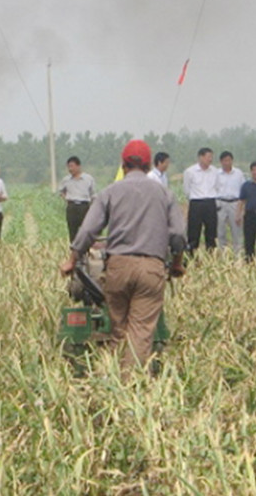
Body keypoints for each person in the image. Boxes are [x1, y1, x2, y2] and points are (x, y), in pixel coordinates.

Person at [60, 139, 186, 375]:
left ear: (124, 165)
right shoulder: (164, 194)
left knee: (119, 330)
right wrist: (177, 264)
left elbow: (87, 231)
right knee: (140, 331)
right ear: (149, 166)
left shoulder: (110, 192)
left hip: (117, 268)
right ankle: (129, 387)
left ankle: (114, 380)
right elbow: (178, 234)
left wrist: (72, 260)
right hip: (151, 268)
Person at [183, 148, 219, 255]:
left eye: (211, 157)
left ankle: (211, 258)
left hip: (210, 203)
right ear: (201, 157)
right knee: (193, 233)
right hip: (196, 203)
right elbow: (187, 189)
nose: (210, 159)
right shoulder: (190, 171)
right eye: (208, 157)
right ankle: (191, 258)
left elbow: (217, 187)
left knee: (211, 233)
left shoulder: (214, 171)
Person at [58, 156, 96, 241]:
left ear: (78, 166)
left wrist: (91, 206)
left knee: (86, 230)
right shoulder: (66, 180)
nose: (70, 169)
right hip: (72, 207)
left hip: (84, 206)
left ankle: (86, 250)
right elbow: (61, 191)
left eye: (72, 166)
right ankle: (74, 250)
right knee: (72, 230)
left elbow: (93, 194)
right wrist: (67, 198)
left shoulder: (88, 179)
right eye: (68, 167)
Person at [236, 161, 256, 262]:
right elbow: (241, 201)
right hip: (250, 215)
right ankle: (250, 262)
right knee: (249, 241)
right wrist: (238, 214)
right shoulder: (246, 185)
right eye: (253, 170)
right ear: (251, 172)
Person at [216, 150, 244, 255]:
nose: (227, 163)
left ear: (232, 161)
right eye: (224, 161)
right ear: (221, 162)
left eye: (229, 160)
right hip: (220, 203)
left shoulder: (238, 173)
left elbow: (243, 190)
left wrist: (241, 208)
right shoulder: (216, 174)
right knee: (220, 232)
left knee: (237, 231)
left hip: (235, 203)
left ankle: (238, 257)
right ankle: (222, 257)